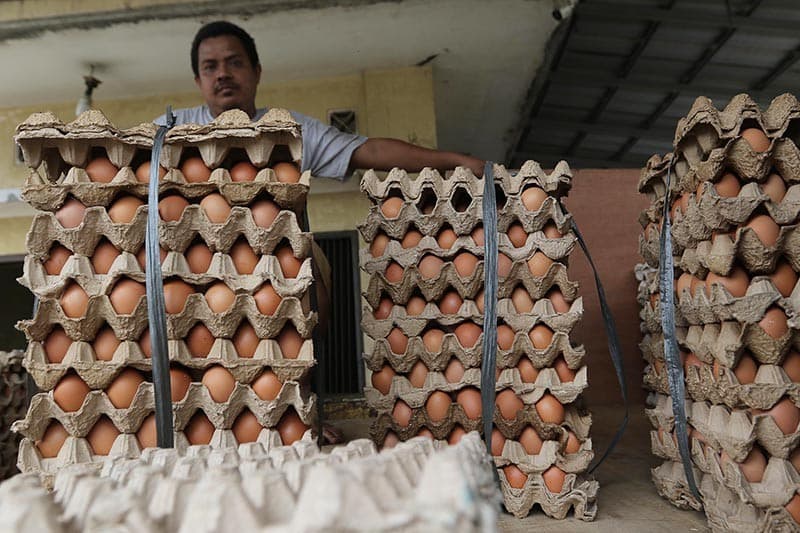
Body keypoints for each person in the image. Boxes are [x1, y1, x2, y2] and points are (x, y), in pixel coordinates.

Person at [155, 20, 485, 179]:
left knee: (315, 271)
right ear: (199, 81)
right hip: (187, 266)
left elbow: (368, 150)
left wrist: (454, 160)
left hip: (275, 263)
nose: (223, 74)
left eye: (235, 62)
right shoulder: (169, 130)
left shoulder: (288, 130)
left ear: (257, 72)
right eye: (210, 67)